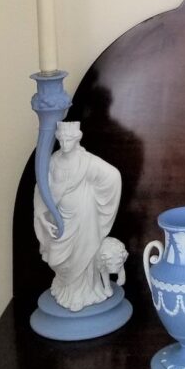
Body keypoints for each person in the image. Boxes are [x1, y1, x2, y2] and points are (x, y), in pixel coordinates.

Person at [33, 121, 123, 311]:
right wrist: (42, 216)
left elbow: (113, 175)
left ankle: (83, 293)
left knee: (84, 253)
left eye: (69, 139)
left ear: (77, 139)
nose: (65, 143)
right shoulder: (53, 161)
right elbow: (41, 189)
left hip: (84, 216)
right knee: (61, 258)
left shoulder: (87, 161)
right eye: (62, 139)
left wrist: (97, 194)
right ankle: (66, 289)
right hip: (60, 217)